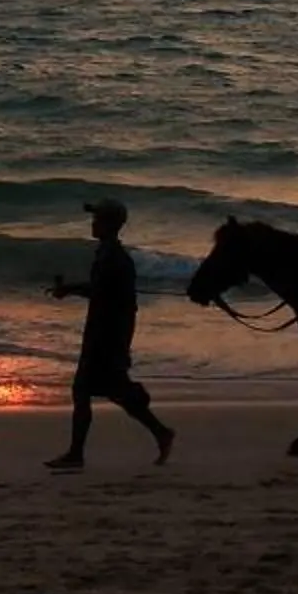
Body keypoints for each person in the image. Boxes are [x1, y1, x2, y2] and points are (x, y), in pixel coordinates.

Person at [43, 198, 173, 471]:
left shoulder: (113, 257)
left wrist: (68, 289)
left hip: (107, 334)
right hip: (107, 331)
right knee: (113, 391)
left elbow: (100, 292)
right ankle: (159, 431)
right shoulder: (110, 254)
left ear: (109, 225)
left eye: (98, 219)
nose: (93, 223)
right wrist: (72, 289)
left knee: (86, 390)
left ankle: (77, 454)